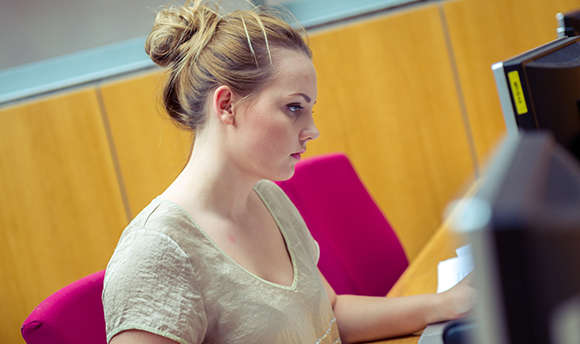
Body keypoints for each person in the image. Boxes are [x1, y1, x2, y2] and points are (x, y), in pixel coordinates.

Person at [102, 1, 474, 343]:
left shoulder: (267, 198)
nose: (312, 130)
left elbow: (325, 315)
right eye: (294, 108)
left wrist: (445, 305)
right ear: (227, 104)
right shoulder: (156, 254)